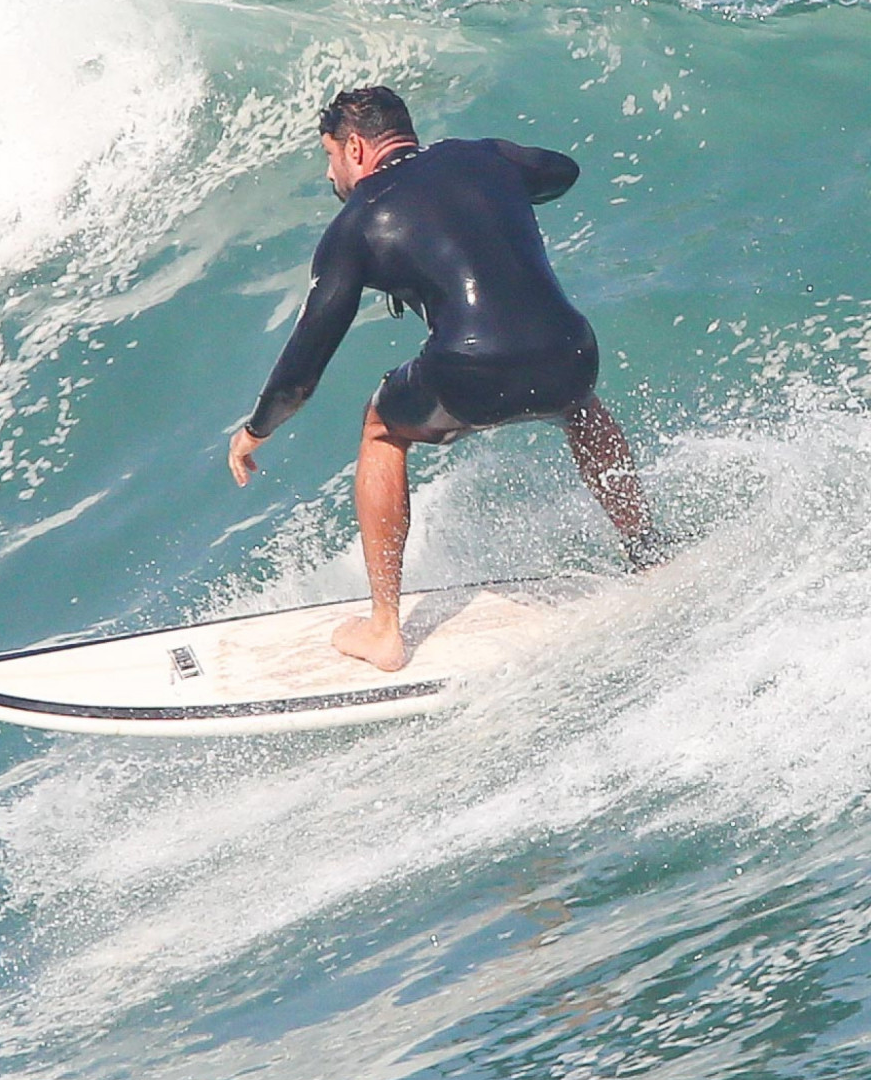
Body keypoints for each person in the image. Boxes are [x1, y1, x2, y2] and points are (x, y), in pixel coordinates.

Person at [227, 86, 660, 673]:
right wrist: (496, 178)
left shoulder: (357, 223)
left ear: (355, 147)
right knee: (579, 408)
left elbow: (304, 367)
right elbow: (562, 172)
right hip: (572, 352)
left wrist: (256, 430)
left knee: (381, 427)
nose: (331, 176)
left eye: (330, 158)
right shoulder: (485, 157)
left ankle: (384, 630)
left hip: (471, 373)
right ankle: (650, 553)